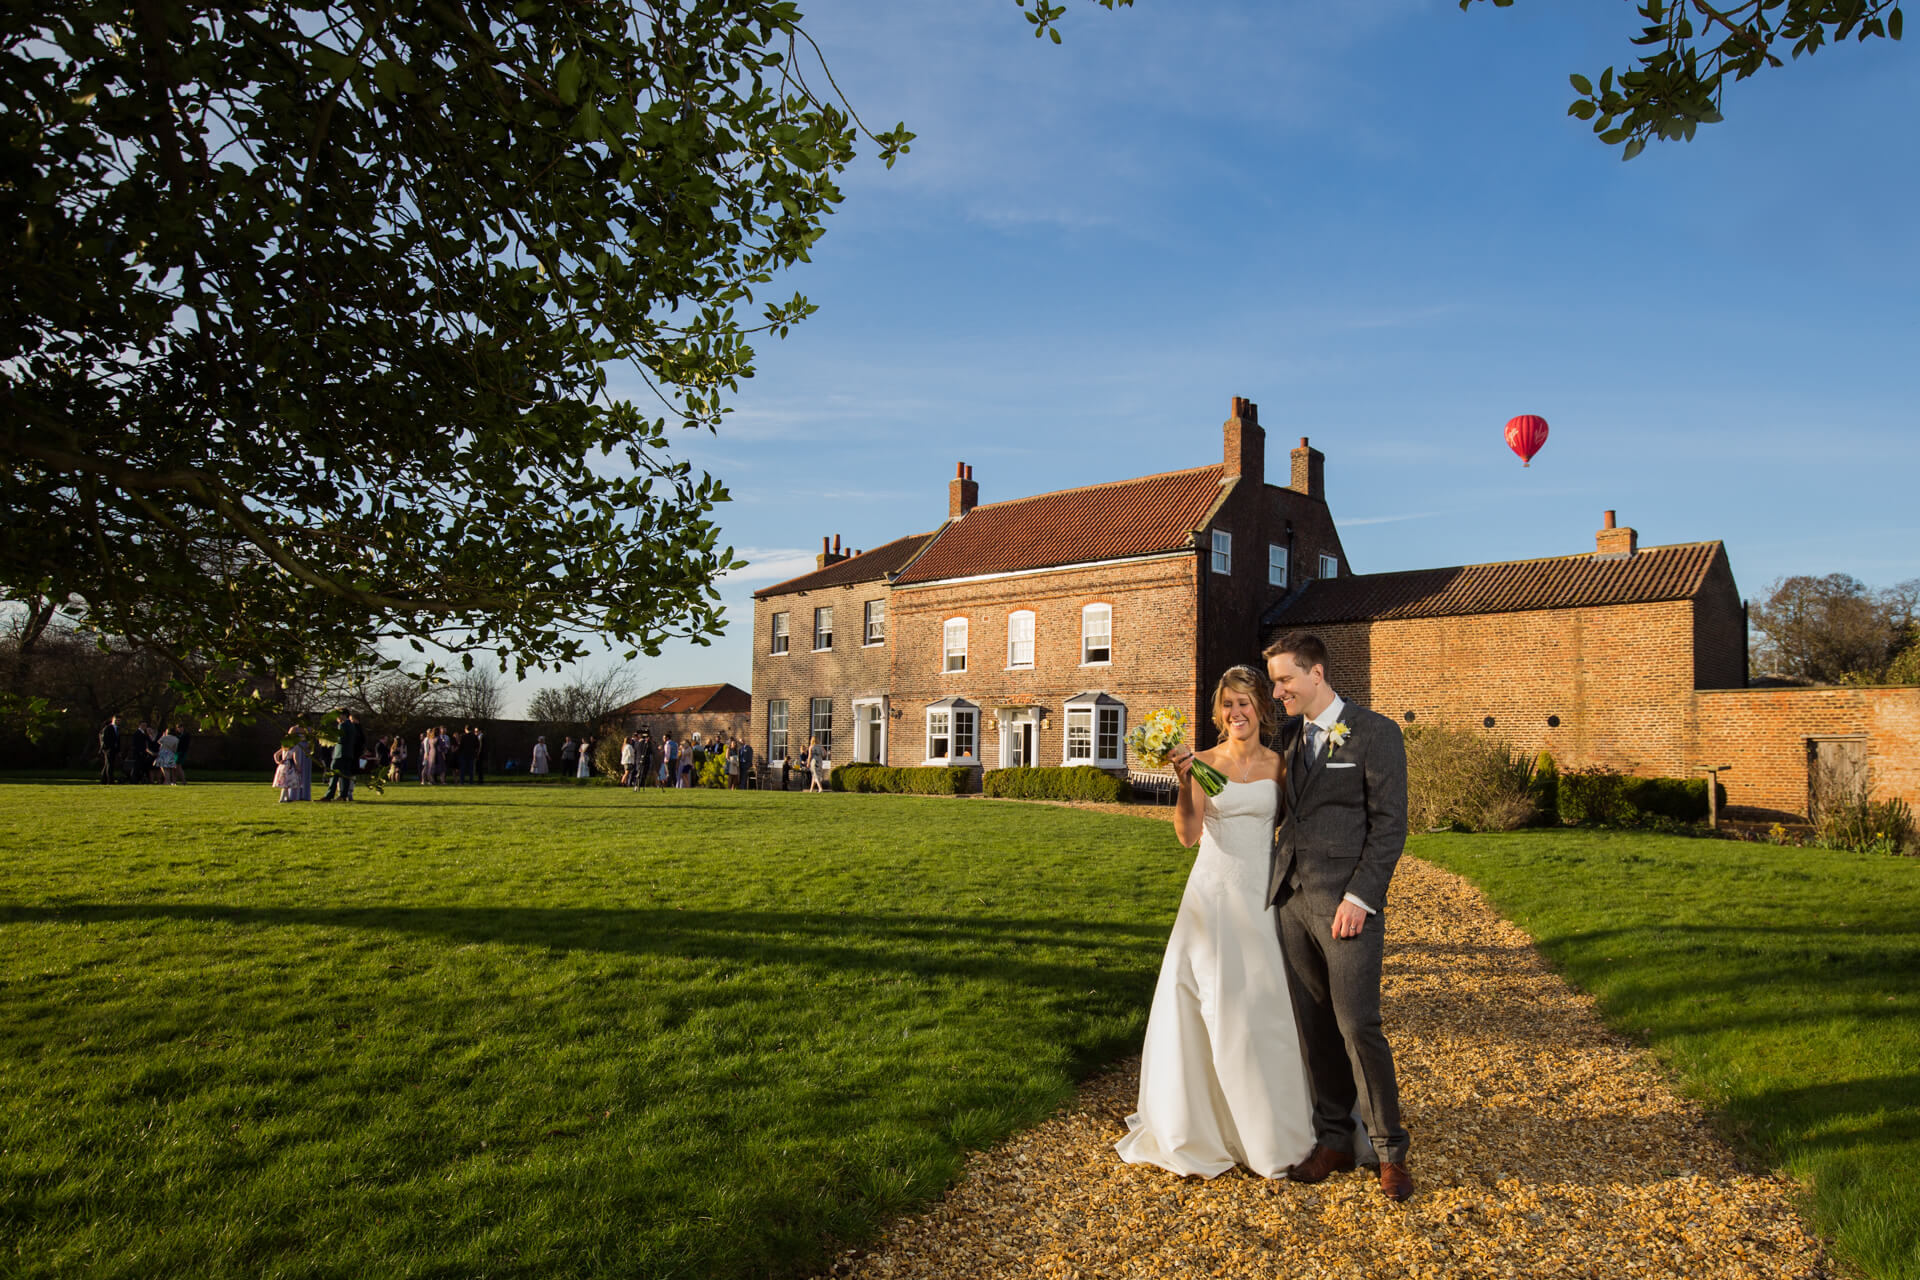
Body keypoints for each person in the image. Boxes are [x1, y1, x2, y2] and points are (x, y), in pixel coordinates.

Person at [1117, 665, 1313, 1179]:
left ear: (1261, 709)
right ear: (1218, 712)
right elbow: (1188, 835)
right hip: (1212, 896)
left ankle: (1269, 1126)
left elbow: (1296, 829)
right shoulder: (1203, 763)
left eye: (1246, 703)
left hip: (1262, 895)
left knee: (1263, 1006)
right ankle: (1204, 1125)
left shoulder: (1279, 765)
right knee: (1206, 1003)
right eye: (1229, 705)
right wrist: (1185, 785)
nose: (1237, 713)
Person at [1264, 631, 1413, 1202]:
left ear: (1317, 673)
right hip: (1292, 901)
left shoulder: (1376, 733)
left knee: (1358, 1026)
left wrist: (1361, 897)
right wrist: (1194, 770)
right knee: (1315, 1028)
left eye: (1285, 680)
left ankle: (1389, 1151)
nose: (1278, 692)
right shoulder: (1290, 735)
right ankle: (1333, 1138)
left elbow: (1390, 826)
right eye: (1275, 682)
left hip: (1347, 905)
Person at [320, 709, 366, 802]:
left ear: (343, 715)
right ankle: (343, 795)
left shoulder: (342, 725)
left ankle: (329, 795)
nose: (336, 717)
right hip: (349, 754)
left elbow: (340, 739)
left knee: (334, 774)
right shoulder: (352, 726)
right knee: (345, 775)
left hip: (340, 754)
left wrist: (330, 737)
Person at [98, 714, 122, 784]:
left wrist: (118, 750)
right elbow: (105, 739)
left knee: (107, 764)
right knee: (110, 765)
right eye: (116, 720)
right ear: (113, 720)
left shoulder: (117, 729)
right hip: (108, 749)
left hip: (113, 749)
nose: (118, 722)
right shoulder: (108, 728)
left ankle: (103, 780)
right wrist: (108, 748)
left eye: (119, 721)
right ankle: (110, 781)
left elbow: (117, 740)